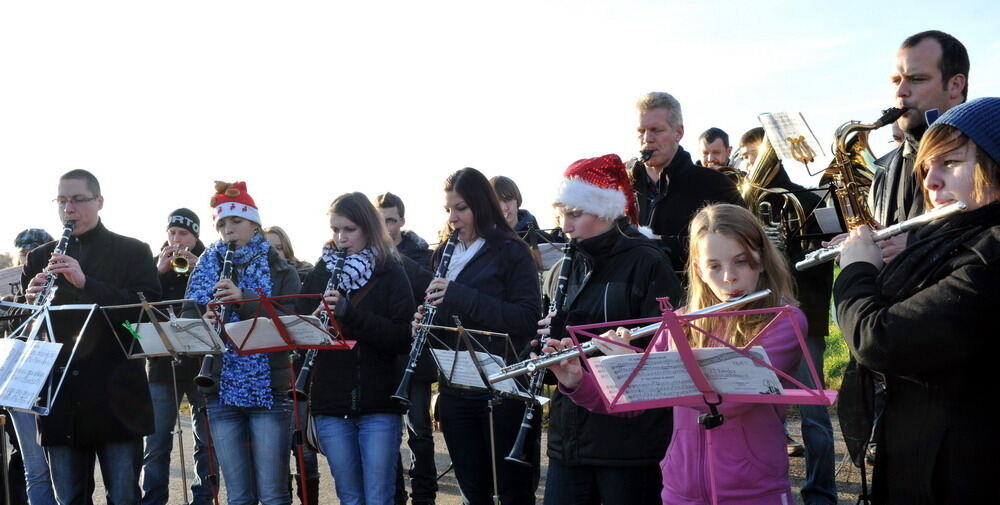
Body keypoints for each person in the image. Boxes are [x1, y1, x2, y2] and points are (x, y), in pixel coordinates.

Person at [546, 203, 806, 505]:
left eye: (741, 262)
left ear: (761, 261)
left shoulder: (783, 320)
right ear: (698, 269)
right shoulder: (680, 322)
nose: (729, 277)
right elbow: (633, 401)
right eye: (714, 266)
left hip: (754, 489)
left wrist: (637, 365)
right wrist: (579, 380)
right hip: (681, 491)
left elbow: (729, 401)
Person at [834, 97, 1000, 504]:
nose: (930, 182)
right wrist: (913, 248)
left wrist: (857, 271)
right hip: (926, 459)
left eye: (952, 163)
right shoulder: (956, 240)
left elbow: (880, 339)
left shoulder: (991, 255)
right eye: (927, 167)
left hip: (962, 474)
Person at [539, 154, 682, 505]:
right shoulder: (560, 268)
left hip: (628, 446)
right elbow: (549, 374)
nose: (564, 225)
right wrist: (547, 352)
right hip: (569, 440)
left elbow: (666, 359)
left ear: (605, 211)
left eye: (575, 214)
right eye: (562, 213)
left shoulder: (648, 262)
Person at [21, 169, 161, 505]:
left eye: (78, 200)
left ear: (99, 202)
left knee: (124, 495)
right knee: (68, 498)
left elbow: (149, 312)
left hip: (117, 397)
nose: (69, 208)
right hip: (61, 398)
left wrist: (87, 283)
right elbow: (27, 332)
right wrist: (28, 303)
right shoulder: (40, 257)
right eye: (62, 201)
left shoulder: (133, 251)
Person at [413, 167, 541, 505]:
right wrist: (426, 324)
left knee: (513, 491)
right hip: (456, 387)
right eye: (448, 210)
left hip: (502, 386)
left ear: (481, 206)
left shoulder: (512, 250)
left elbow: (527, 318)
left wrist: (459, 295)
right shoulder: (443, 253)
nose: (453, 218)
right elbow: (447, 314)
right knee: (473, 489)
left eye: (461, 208)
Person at [183, 181, 300, 505]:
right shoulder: (208, 265)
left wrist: (247, 299)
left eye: (236, 222)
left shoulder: (280, 267)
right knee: (238, 495)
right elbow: (186, 317)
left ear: (254, 224)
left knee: (273, 493)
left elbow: (293, 323)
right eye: (222, 224)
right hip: (220, 390)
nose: (228, 230)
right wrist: (202, 321)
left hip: (270, 392)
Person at [295, 192, 414, 505]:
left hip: (379, 404)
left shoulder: (390, 271)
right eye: (335, 229)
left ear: (367, 228)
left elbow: (402, 338)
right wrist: (314, 324)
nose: (340, 237)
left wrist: (351, 315)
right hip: (330, 404)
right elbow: (300, 329)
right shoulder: (321, 273)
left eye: (348, 229)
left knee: (378, 497)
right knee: (350, 497)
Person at [142, 208, 213, 505]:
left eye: (183, 234)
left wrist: (202, 271)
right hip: (161, 365)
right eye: (172, 233)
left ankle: (202, 498)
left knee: (205, 442)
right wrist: (156, 273)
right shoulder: (150, 267)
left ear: (195, 236)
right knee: (156, 443)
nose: (176, 239)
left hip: (200, 365)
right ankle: (153, 499)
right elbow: (136, 312)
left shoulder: (210, 261)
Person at [629, 92, 745, 274]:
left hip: (694, 295)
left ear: (679, 133)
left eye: (656, 130)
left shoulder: (716, 184)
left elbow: (739, 244)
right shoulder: (621, 183)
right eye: (640, 131)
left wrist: (661, 243)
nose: (647, 139)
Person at [869, 30, 969, 228]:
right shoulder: (883, 171)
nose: (900, 92)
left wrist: (913, 246)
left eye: (916, 79)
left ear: (955, 85)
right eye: (896, 81)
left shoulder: (989, 155)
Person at [262, 225, 319, 504]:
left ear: (287, 249)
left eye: (278, 247)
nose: (273, 253)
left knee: (304, 449)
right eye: (267, 247)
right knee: (277, 450)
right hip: (269, 375)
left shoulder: (303, 276)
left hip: (298, 374)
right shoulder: (255, 280)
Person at [375, 192, 434, 271]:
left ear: (402, 221)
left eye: (390, 221)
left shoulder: (422, 255)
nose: (384, 227)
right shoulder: (365, 256)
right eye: (379, 221)